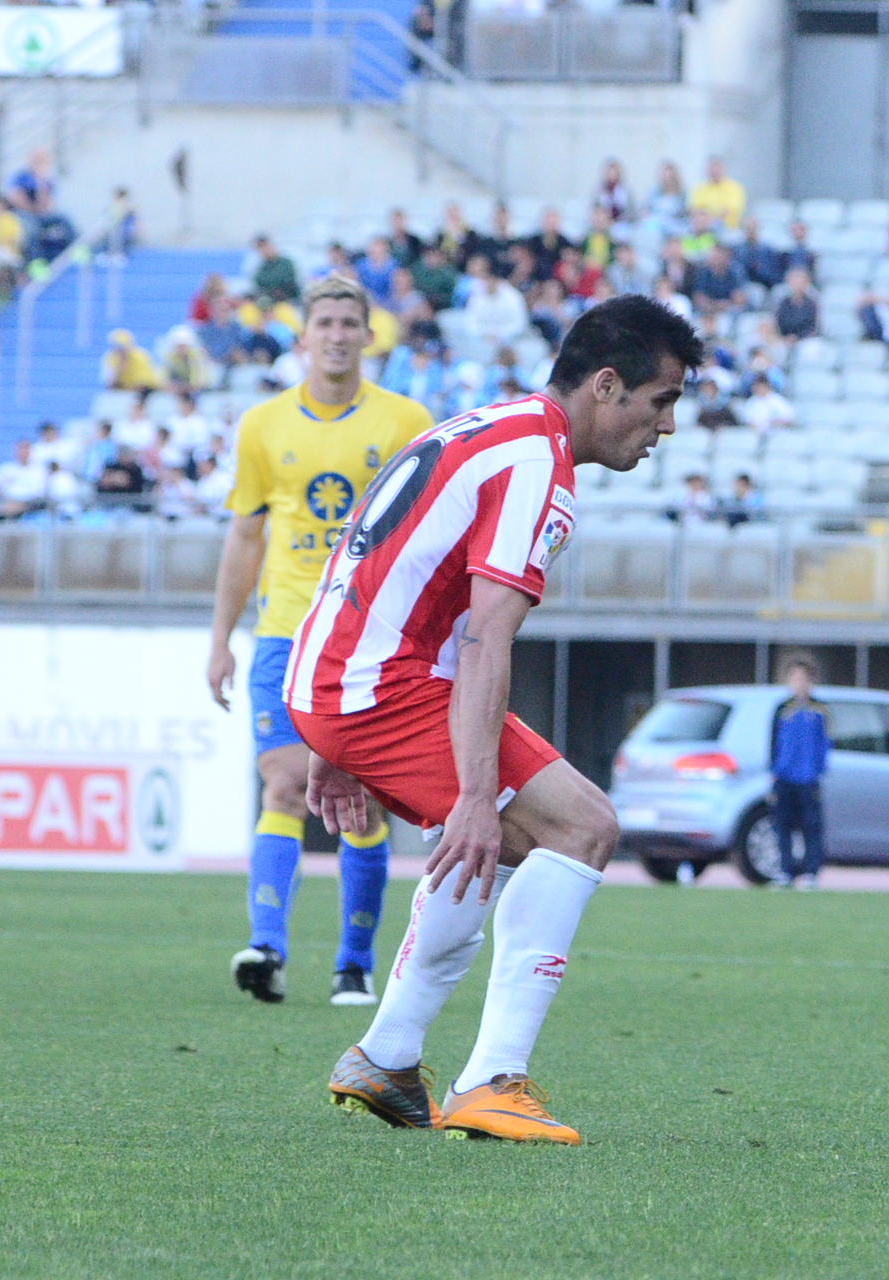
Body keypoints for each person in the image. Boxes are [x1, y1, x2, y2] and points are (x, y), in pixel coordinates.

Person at [293, 295, 702, 1139]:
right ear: (606, 384)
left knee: (515, 843)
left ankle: (389, 1055)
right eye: (661, 402)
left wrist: (328, 731)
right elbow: (484, 637)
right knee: (580, 829)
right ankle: (491, 1080)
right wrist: (476, 793)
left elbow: (368, 548)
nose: (667, 428)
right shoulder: (537, 466)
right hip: (380, 684)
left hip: (342, 676)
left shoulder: (488, 426)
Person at [207, 276, 437, 1008]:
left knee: (359, 804)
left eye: (349, 322)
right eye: (324, 323)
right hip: (283, 631)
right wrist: (220, 639)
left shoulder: (407, 422)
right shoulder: (262, 426)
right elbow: (245, 536)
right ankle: (266, 947)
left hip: (368, 637)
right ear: (302, 337)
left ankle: (353, 963)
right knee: (281, 781)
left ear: (369, 336)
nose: (337, 334)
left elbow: (429, 534)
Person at [770, 657, 829, 888]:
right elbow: (773, 742)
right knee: (782, 825)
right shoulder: (782, 709)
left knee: (811, 826)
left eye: (803, 678)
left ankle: (810, 873)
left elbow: (825, 743)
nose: (799, 683)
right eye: (794, 678)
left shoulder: (820, 710)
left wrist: (818, 770)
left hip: (808, 778)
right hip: (784, 777)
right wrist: (774, 771)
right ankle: (785, 871)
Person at [0, 439, 46, 520]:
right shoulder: (6, 468)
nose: (23, 453)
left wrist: (20, 504)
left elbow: (40, 494)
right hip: (7, 504)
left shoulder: (39, 471)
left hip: (31, 508)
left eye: (26, 449)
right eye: (20, 449)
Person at [689, 155, 747, 231]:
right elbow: (694, 209)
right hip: (702, 229)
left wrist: (710, 217)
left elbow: (730, 210)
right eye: (711, 168)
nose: (714, 170)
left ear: (723, 169)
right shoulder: (699, 189)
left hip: (727, 229)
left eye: (717, 167)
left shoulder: (735, 188)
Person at [251, 234, 300, 305]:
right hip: (271, 304)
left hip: (290, 300)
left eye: (265, 246)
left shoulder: (286, 263)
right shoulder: (260, 270)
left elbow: (289, 281)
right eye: (260, 248)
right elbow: (259, 285)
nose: (264, 250)